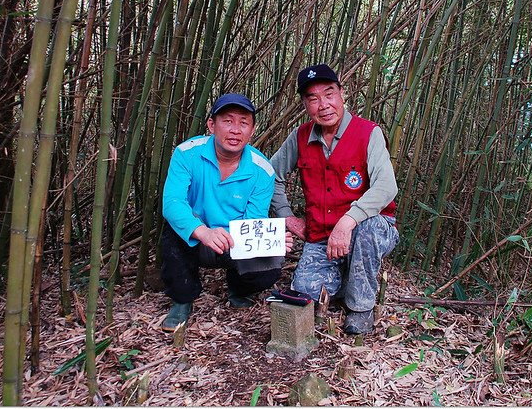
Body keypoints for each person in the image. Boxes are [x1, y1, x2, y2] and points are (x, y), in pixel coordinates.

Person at [269, 63, 399, 335]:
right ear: (305, 104)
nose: (323, 105)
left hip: (369, 229)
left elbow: (386, 186)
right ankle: (345, 276)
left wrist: (348, 221)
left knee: (368, 229)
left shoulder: (368, 132)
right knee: (306, 292)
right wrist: (287, 217)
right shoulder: (300, 137)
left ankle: (360, 306)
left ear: (342, 93)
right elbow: (270, 176)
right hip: (321, 237)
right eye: (313, 99)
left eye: (329, 94)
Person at [159, 93, 286, 331]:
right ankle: (182, 299)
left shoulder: (263, 170)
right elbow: (173, 202)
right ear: (211, 125)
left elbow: (253, 219)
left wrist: (271, 240)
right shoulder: (187, 153)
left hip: (234, 241)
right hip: (196, 237)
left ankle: (239, 288)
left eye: (243, 122)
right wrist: (203, 232)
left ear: (252, 130)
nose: (235, 130)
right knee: (174, 228)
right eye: (227, 121)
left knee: (271, 264)